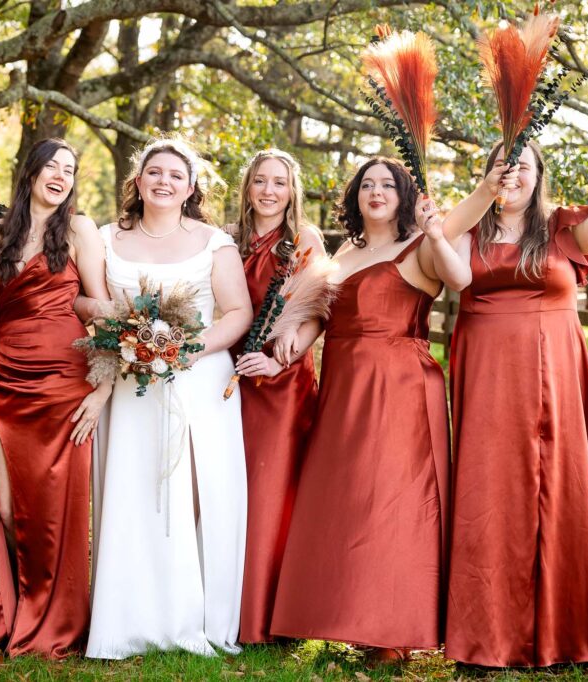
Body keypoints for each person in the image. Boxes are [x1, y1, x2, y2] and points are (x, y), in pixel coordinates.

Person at [270, 156, 507, 663]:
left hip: (397, 385)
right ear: (355, 196)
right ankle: (339, 614)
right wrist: (293, 335)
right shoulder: (344, 253)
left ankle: (392, 629)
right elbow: (320, 314)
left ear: (404, 196)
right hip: (343, 386)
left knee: (394, 500)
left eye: (388, 185)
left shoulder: (419, 247)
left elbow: (461, 221)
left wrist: (487, 187)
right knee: (344, 497)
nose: (376, 192)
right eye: (367, 185)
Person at [442, 140, 588, 667]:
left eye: (522, 168)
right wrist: (481, 192)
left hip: (556, 376)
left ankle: (576, 629)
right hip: (488, 377)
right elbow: (435, 242)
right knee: (489, 490)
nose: (511, 176)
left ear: (540, 176)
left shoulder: (565, 229)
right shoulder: (468, 230)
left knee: (564, 486)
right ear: (486, 174)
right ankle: (486, 637)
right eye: (501, 166)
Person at [86, 138, 253, 659]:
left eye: (175, 175)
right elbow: (86, 301)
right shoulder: (106, 237)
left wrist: (183, 348)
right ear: (137, 182)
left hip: (199, 380)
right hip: (131, 385)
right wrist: (131, 341)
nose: (163, 181)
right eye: (153, 172)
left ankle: (196, 614)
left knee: (196, 493)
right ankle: (126, 616)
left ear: (191, 187)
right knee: (133, 491)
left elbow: (237, 312)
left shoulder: (215, 243)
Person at [0, 138, 110, 659]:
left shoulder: (78, 231)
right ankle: (15, 611)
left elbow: (103, 309)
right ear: (29, 171)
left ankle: (59, 622)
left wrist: (102, 388)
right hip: (8, 383)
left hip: (64, 383)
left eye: (69, 169)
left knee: (56, 512)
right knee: (8, 509)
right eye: (51, 165)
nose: (60, 175)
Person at [225, 149, 326, 644]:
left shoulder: (303, 241)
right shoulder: (227, 241)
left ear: (292, 192)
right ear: (247, 188)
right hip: (233, 378)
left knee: (271, 493)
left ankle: (267, 618)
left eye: (279, 183)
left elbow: (317, 311)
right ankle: (228, 609)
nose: (268, 191)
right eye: (260, 181)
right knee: (234, 492)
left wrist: (282, 358)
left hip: (281, 381)